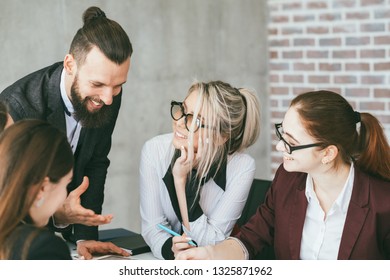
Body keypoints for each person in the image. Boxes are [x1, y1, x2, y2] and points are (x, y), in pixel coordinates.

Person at [176, 90, 390, 260]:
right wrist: (210, 255)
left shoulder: (382, 203)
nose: (280, 146)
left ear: (328, 153)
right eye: (282, 133)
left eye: (291, 142)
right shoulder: (287, 181)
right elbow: (251, 238)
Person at [0, 6, 133, 254]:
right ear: (70, 64)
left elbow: (96, 160)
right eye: (98, 84)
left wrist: (84, 237)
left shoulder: (108, 93)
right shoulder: (18, 108)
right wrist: (57, 219)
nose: (108, 99)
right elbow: (8, 204)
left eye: (118, 86)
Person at [140, 80, 261, 259]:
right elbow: (152, 227)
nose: (180, 122)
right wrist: (172, 251)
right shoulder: (154, 151)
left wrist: (182, 182)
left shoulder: (242, 166)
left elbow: (214, 242)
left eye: (195, 120)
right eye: (182, 109)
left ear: (221, 136)